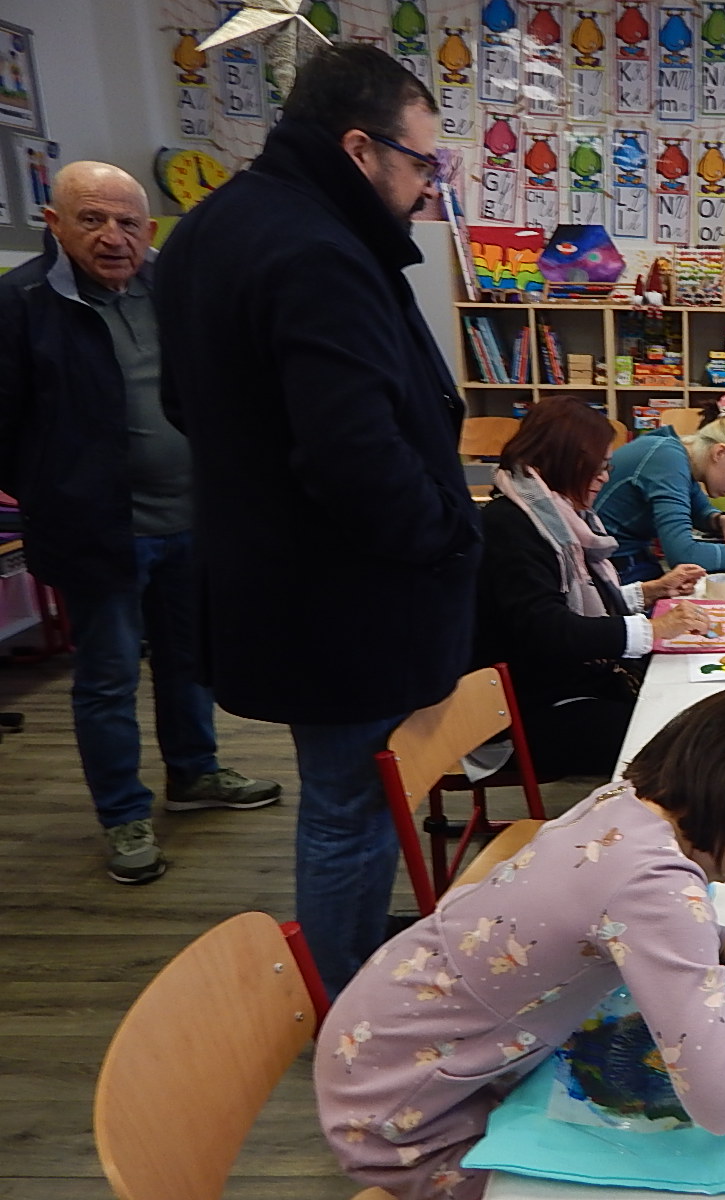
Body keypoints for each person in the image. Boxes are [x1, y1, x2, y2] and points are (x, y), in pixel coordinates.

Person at [154, 46, 481, 993]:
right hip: (343, 598)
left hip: (277, 578)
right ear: (358, 148)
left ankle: (347, 966)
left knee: (347, 801)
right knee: (349, 808)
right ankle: (344, 1007)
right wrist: (448, 533)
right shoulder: (319, 251)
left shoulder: (211, 230)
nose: (427, 187)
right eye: (420, 162)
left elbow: (183, 403)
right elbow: (355, 457)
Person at [315, 682, 725, 1200]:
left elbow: (619, 915)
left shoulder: (621, 800)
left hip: (381, 1039)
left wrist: (724, 944)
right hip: (405, 1122)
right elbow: (724, 1099)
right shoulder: (657, 886)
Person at [0, 161, 280, 886]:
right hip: (98, 534)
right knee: (108, 679)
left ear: (149, 229)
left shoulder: (173, 289)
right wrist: (55, 489)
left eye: (127, 222)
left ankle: (193, 773)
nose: (113, 237)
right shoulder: (20, 303)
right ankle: (123, 814)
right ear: (54, 224)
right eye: (92, 219)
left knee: (189, 661)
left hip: (191, 519)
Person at [476, 397, 715, 779]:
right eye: (600, 466)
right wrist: (652, 629)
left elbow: (573, 604)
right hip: (524, 714)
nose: (604, 477)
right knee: (682, 738)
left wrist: (650, 592)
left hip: (560, 685)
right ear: (568, 462)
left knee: (686, 706)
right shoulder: (511, 526)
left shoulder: (553, 515)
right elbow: (549, 630)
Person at [596, 412, 725, 584]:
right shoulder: (667, 460)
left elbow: (698, 509)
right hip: (611, 570)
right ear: (720, 452)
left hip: (626, 558)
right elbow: (684, 555)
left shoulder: (677, 452)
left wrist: (720, 520)